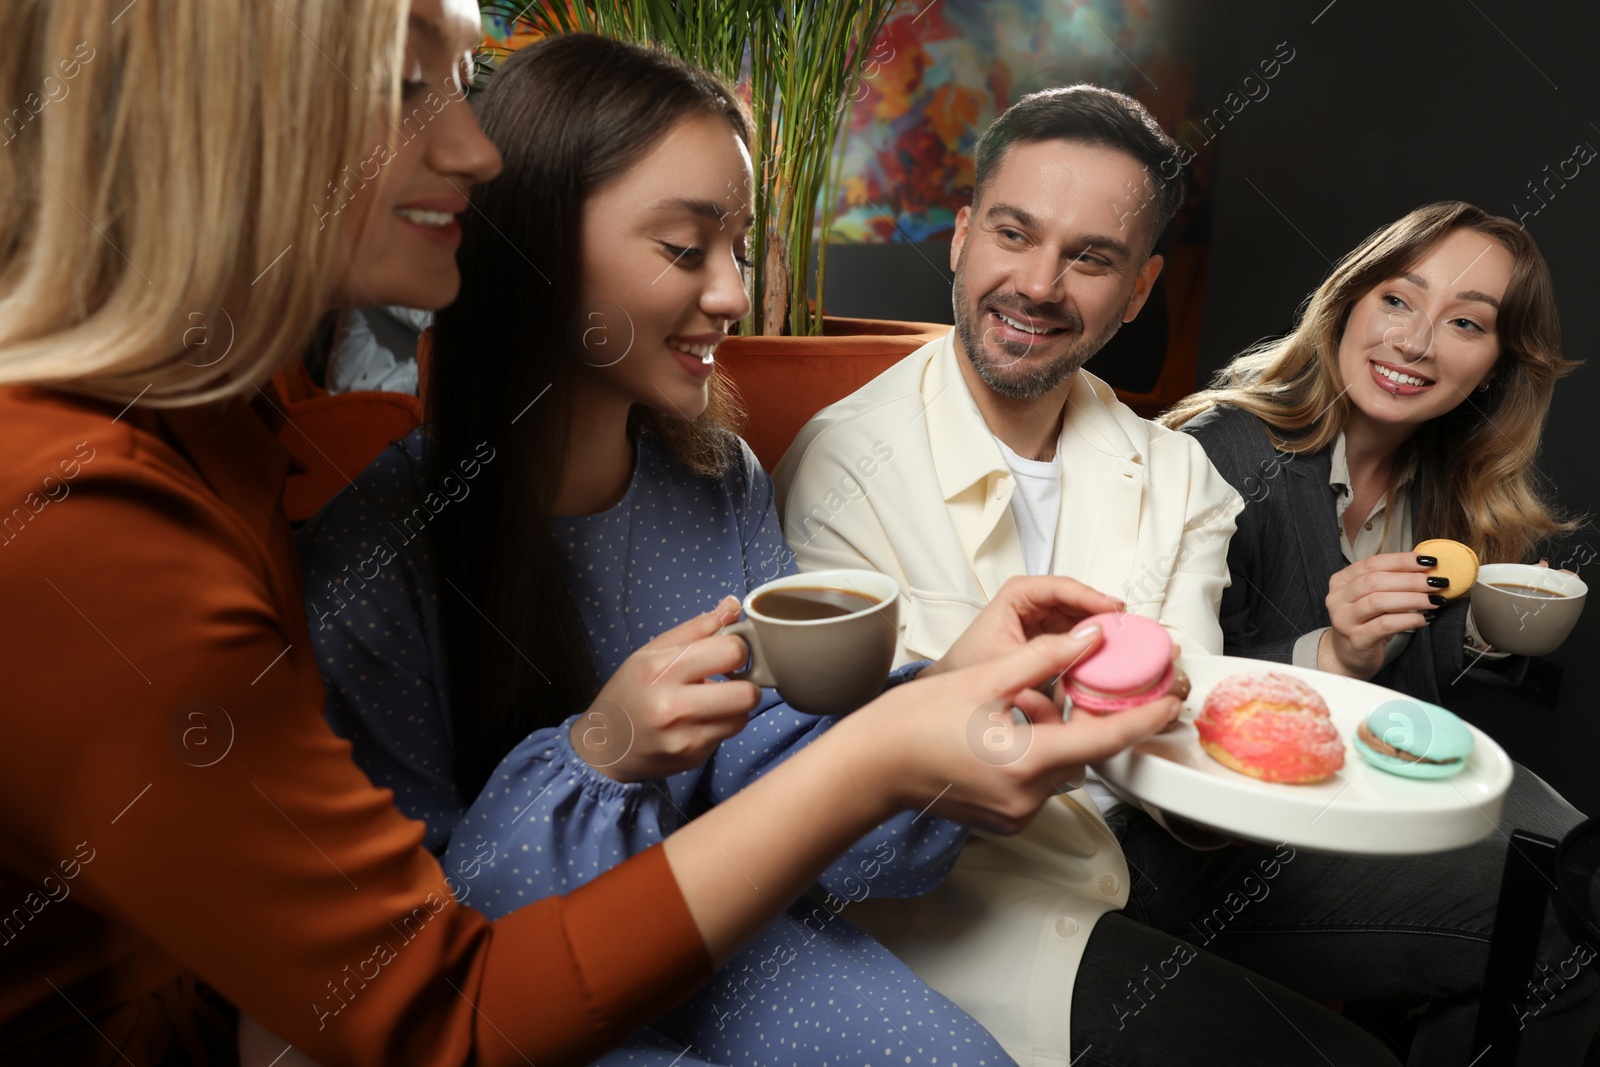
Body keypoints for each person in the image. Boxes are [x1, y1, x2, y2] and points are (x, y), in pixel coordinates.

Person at [0, 4, 1180, 1064]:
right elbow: (423, 981)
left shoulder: (712, 478)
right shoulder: (265, 537)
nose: (469, 148)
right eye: (683, 249)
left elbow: (778, 783)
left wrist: (934, 698)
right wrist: (615, 751)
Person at [774, 92, 1597, 1063]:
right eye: (1013, 233)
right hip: (972, 891)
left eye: (1090, 257)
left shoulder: (1176, 475)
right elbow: (852, 805)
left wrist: (1211, 733)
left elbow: (1185, 774)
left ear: (1137, 288)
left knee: (1558, 916)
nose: (1038, 284)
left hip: (1153, 850)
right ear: (959, 238)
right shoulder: (843, 465)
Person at [1164, 200, 1575, 700]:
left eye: (1465, 323)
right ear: (1348, 304)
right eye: (1398, 301)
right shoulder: (1218, 455)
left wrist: (1483, 629)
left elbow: (1414, 682)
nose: (1414, 343)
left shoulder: (1454, 483)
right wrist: (1335, 656)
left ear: (1495, 369)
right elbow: (1174, 681)